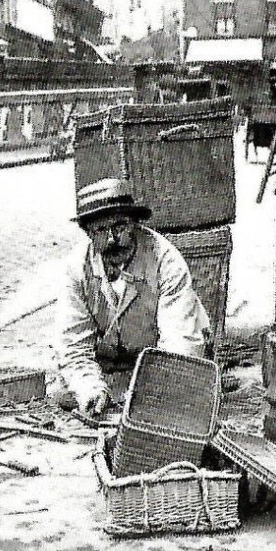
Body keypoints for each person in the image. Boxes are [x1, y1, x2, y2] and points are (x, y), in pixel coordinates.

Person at [54, 178, 212, 418]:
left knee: (181, 401)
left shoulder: (165, 260)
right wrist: (90, 388)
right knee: (61, 390)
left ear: (135, 223)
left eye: (119, 226)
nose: (111, 240)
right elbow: (73, 346)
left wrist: (148, 391)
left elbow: (180, 344)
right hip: (111, 365)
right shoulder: (77, 269)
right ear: (87, 233)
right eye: (100, 230)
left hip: (159, 362)